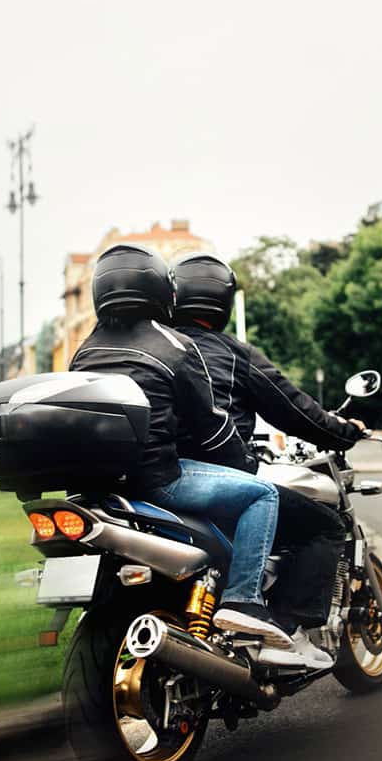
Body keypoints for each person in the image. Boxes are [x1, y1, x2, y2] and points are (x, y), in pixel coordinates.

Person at [69, 244, 291, 648]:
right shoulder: (173, 346)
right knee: (262, 497)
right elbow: (211, 429)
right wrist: (244, 462)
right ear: (162, 291)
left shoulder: (85, 352)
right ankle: (243, 602)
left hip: (101, 485)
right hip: (157, 481)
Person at [169, 253, 367, 669]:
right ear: (223, 303)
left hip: (156, 477)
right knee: (322, 526)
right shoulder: (233, 354)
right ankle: (290, 631)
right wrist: (344, 430)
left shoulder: (158, 348)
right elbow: (295, 410)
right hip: (218, 477)